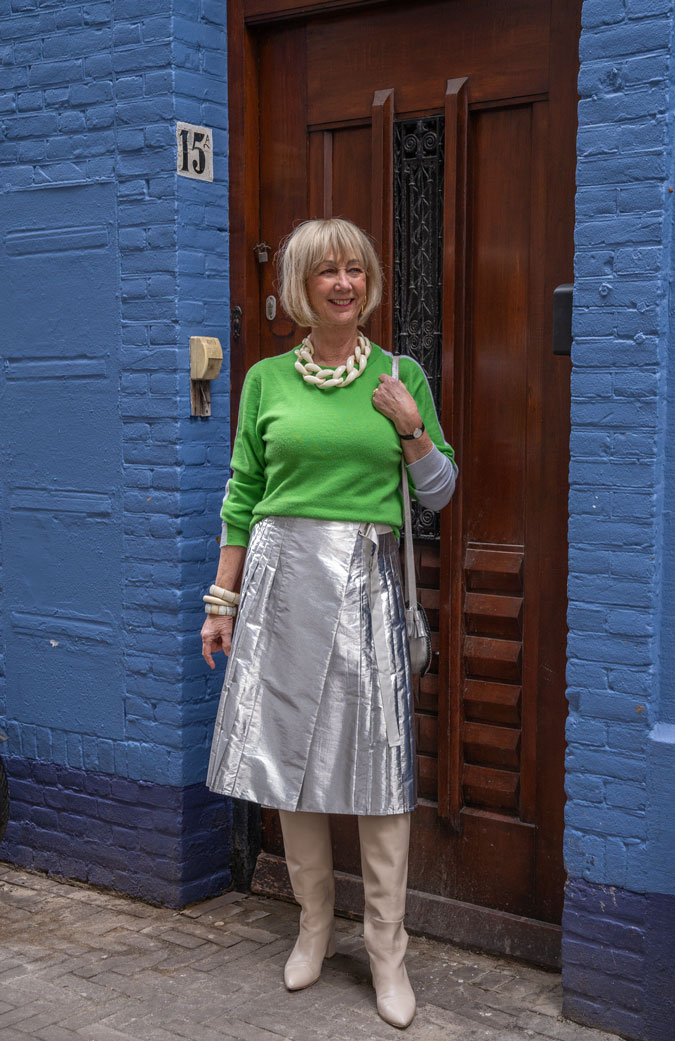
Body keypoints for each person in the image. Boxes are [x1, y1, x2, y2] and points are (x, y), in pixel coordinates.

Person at [201, 218, 457, 1029]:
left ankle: (385, 950)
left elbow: (440, 492)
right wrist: (221, 600)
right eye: (326, 272)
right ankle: (313, 926)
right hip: (279, 584)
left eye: (355, 270)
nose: (343, 283)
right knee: (291, 764)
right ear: (300, 287)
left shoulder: (399, 375)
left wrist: (408, 425)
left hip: (365, 584)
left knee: (379, 774)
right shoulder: (265, 380)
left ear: (368, 282)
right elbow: (242, 492)